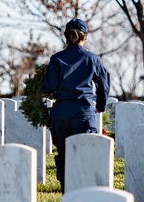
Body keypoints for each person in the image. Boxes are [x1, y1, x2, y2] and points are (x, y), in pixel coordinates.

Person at [43, 18, 111, 192]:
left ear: (66, 37)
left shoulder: (56, 59)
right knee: (84, 154)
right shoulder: (92, 59)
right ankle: (83, 192)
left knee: (64, 155)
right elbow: (103, 84)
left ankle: (67, 191)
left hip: (60, 114)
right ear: (84, 38)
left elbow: (49, 86)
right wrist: (101, 105)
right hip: (83, 113)